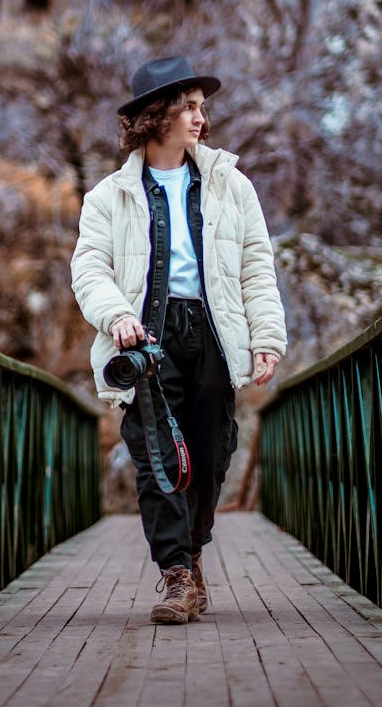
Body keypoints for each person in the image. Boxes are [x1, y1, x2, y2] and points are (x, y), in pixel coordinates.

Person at [70, 56, 287, 624]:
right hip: (144, 339)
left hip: (214, 334)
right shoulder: (107, 198)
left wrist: (266, 337)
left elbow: (256, 267)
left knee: (211, 454)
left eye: (201, 107)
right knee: (156, 459)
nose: (200, 117)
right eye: (188, 107)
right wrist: (116, 314)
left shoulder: (231, 186)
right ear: (156, 116)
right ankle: (176, 574)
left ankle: (190, 555)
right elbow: (89, 270)